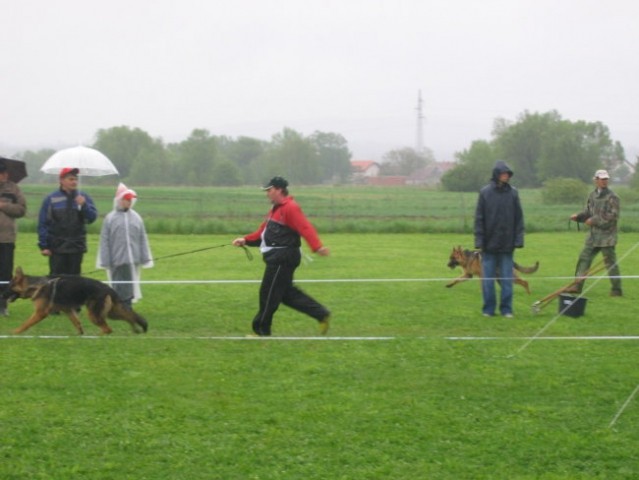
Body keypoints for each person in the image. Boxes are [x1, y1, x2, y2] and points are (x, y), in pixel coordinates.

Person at [232, 176, 331, 336]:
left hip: (282, 258)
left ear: (279, 190)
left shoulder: (290, 207)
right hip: (279, 258)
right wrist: (245, 240)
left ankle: (261, 331)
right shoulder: (275, 210)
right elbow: (262, 233)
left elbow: (305, 227)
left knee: (268, 293)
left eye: (269, 190)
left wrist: (317, 247)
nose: (267, 194)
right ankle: (321, 314)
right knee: (286, 294)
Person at [474, 160, 525, 318]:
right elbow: (479, 219)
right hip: (488, 246)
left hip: (507, 245)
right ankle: (488, 310)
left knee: (506, 280)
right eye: (503, 174)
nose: (506, 177)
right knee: (488, 280)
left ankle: (506, 309)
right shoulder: (485, 193)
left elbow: (519, 218)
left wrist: (518, 239)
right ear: (496, 175)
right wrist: (479, 242)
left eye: (508, 174)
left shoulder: (513, 193)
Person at [97, 183, 153, 309]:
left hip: (133, 259)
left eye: (130, 200)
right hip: (116, 259)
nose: (128, 202)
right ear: (119, 200)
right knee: (117, 283)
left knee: (130, 282)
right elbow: (105, 241)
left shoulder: (136, 218)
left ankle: (127, 304)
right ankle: (118, 304)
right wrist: (105, 260)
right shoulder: (110, 219)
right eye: (126, 199)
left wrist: (144, 257)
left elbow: (142, 238)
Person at [567, 169, 622, 296]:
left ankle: (616, 289)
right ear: (596, 180)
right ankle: (577, 286)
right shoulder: (592, 195)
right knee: (584, 258)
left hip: (607, 236)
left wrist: (594, 220)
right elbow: (588, 212)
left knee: (610, 263)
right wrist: (578, 217)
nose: (604, 181)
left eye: (606, 179)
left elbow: (613, 216)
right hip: (593, 236)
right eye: (602, 179)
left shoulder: (613, 197)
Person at [38, 167, 98, 276]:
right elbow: (43, 223)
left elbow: (91, 218)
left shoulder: (83, 197)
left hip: (76, 247)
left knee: (74, 283)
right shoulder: (51, 199)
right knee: (56, 281)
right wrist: (44, 245)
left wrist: (84, 205)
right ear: (61, 180)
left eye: (75, 179)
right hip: (57, 248)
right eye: (71, 179)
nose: (74, 182)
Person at [0, 160, 27, 316]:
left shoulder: (14, 189)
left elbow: (21, 210)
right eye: (1, 173)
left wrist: (4, 206)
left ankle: (2, 305)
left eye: (5, 173)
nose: (4, 176)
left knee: (5, 273)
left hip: (7, 239)